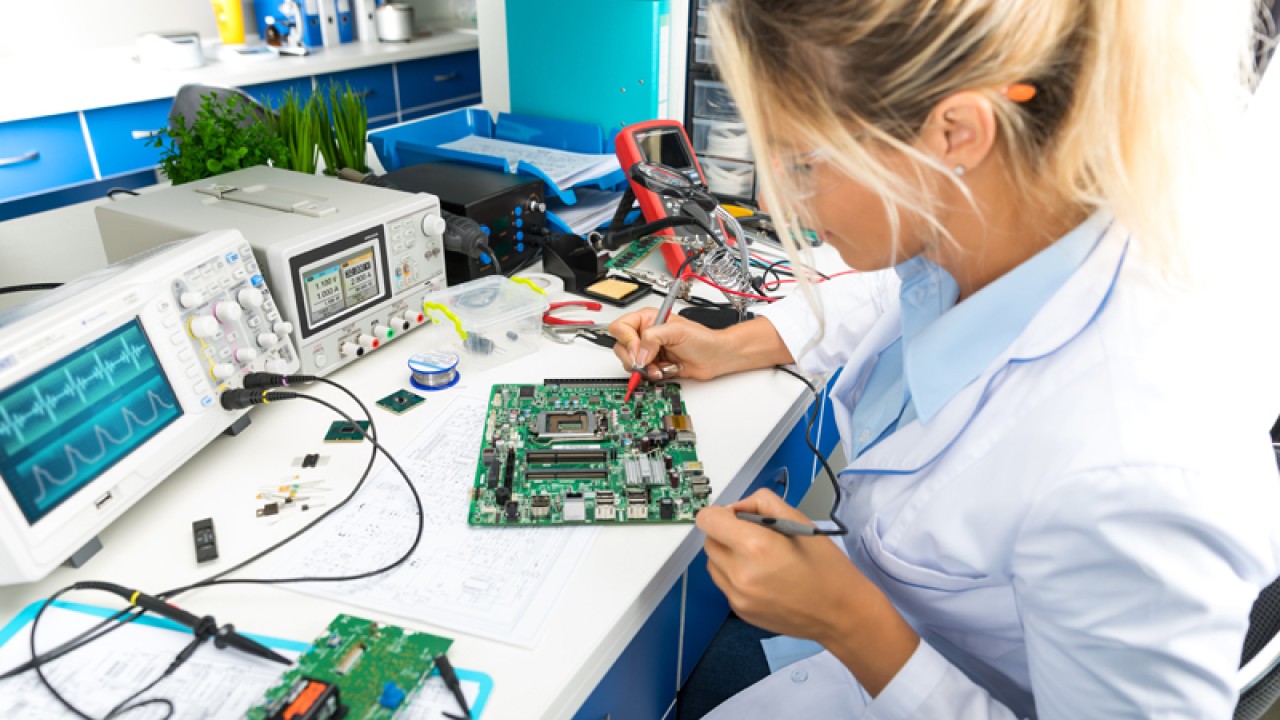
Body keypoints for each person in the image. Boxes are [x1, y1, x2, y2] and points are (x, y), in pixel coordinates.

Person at [608, 0, 1280, 716]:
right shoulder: (1017, 226)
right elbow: (897, 290)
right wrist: (733, 344)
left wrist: (851, 622)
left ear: (955, 133)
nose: (779, 199)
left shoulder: (1135, 467)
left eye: (803, 161)